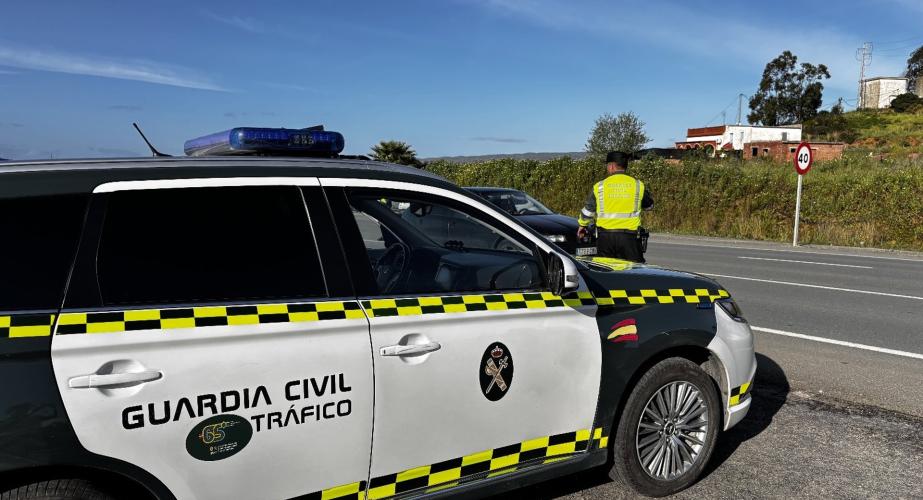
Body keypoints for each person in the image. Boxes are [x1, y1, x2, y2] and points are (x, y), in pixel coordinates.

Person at [576, 151, 653, 262]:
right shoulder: (637, 185)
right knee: (634, 273)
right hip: (630, 239)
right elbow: (649, 206)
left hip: (605, 238)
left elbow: (588, 211)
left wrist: (582, 226)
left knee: (606, 272)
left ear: (611, 166)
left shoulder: (600, 186)